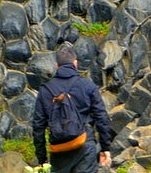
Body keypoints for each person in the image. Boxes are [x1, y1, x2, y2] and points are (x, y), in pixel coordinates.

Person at [31, 43, 114, 173]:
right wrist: (105, 148)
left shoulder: (45, 90)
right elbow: (101, 117)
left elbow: (38, 126)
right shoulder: (88, 86)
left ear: (57, 66)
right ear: (75, 64)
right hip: (85, 144)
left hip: (59, 149)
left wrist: (42, 158)